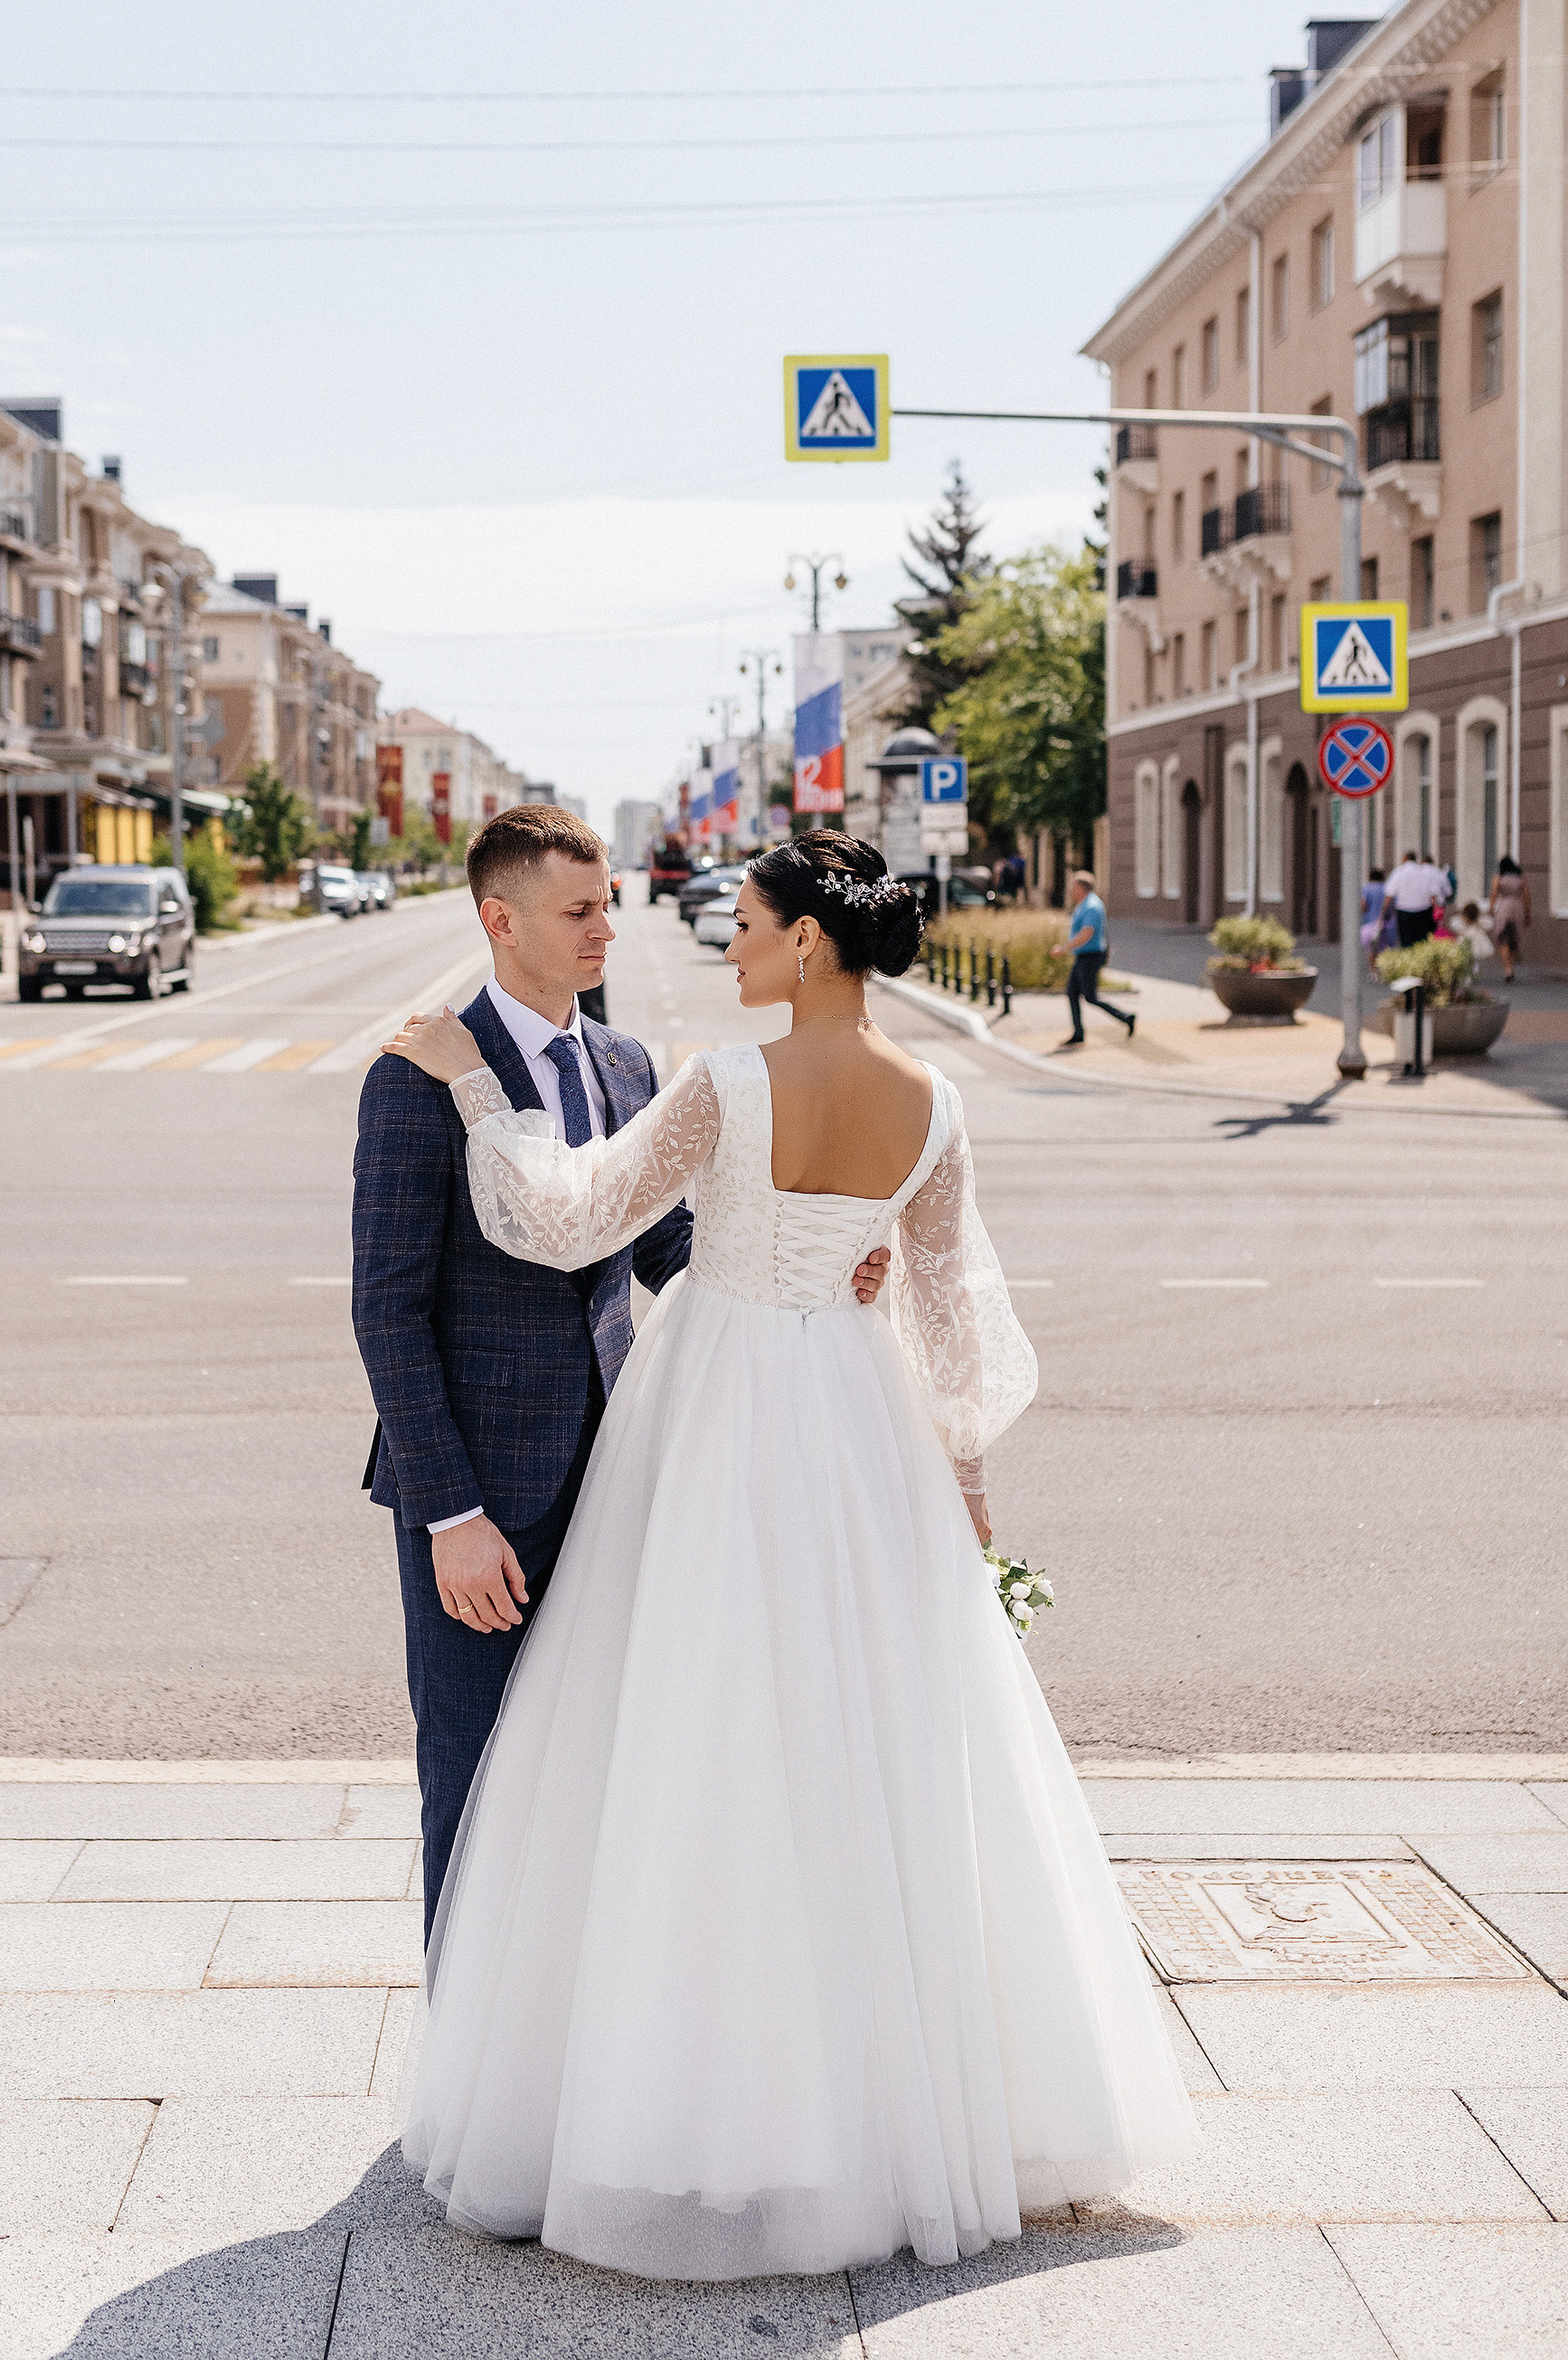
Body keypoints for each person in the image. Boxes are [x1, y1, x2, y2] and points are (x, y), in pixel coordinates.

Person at [382, 829, 1196, 2283]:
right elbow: (952, 1329)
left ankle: (680, 2096)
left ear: (809, 941)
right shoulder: (936, 1104)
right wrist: (964, 1495)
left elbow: (568, 1219)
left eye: (749, 924)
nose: (730, 942)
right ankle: (891, 2110)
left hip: (713, 1422)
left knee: (695, 1745)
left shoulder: (726, 1078)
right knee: (865, 1754)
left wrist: (469, 1083)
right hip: (857, 1424)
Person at [351, 805, 889, 1941]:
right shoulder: (419, 1070)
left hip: (621, 1467)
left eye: (606, 904)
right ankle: (464, 2028)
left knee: (595, 1771)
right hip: (482, 1499)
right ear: (500, 921)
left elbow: (656, 1240)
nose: (606, 928)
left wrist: (806, 1262)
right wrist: (451, 1514)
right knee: (474, 1775)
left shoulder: (624, 1061)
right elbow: (386, 1310)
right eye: (579, 911)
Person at [1050, 867, 1135, 1046]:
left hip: (1090, 957)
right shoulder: (1084, 904)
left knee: (1090, 997)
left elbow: (1086, 933)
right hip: (1083, 956)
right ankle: (1078, 1032)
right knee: (1072, 993)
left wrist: (1064, 948)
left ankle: (1126, 1017)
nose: (1071, 891)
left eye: (1073, 887)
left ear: (1081, 887)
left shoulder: (1092, 906)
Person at [1384, 848, 1448, 951]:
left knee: (1406, 943)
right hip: (1423, 911)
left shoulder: (1398, 872)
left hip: (1404, 911)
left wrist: (1383, 912)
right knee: (1422, 942)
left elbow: (1389, 895)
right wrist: (1436, 911)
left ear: (1405, 858)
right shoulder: (1424, 873)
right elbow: (1433, 895)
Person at [1489, 855, 1531, 984]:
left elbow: (1494, 894)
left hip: (1504, 908)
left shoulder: (1498, 878)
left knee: (1503, 939)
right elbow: (1526, 897)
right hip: (1517, 908)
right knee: (1514, 939)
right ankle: (1511, 966)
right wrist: (1527, 914)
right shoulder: (1520, 879)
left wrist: (1491, 909)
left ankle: (1507, 969)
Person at [1359, 866, 1393, 958]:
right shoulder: (1387, 888)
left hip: (1369, 924)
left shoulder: (1366, 889)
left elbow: (1363, 905)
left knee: (1372, 951)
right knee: (1384, 951)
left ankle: (1373, 967)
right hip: (1386, 925)